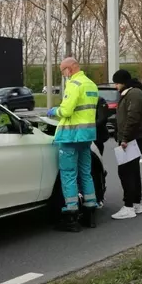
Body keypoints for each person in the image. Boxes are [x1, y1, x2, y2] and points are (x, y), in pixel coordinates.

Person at [47, 57, 99, 231]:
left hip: (71, 135)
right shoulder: (91, 84)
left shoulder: (74, 84)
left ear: (69, 69)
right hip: (87, 135)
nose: (63, 74)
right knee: (86, 173)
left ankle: (71, 216)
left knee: (68, 174)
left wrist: (53, 111)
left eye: (63, 71)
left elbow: (67, 110)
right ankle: (90, 211)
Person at [111, 69, 142, 220]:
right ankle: (135, 204)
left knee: (125, 172)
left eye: (117, 83)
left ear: (123, 82)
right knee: (133, 170)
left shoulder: (133, 94)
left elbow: (132, 117)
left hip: (132, 138)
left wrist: (125, 138)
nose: (116, 86)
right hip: (133, 138)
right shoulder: (131, 93)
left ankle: (128, 207)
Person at [90, 94, 110, 208]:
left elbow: (102, 119)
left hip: (97, 137)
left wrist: (88, 126)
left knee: (96, 168)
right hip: (86, 136)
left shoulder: (99, 100)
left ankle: (99, 196)